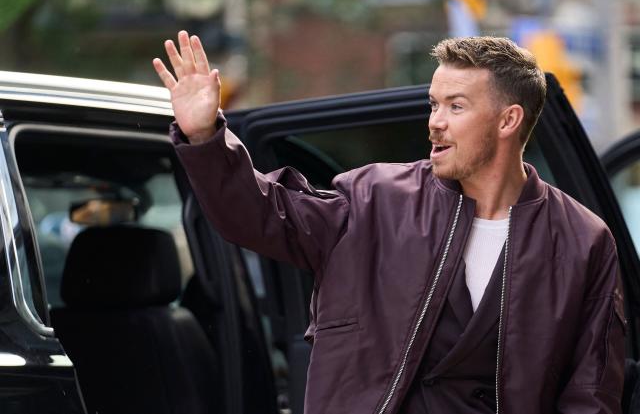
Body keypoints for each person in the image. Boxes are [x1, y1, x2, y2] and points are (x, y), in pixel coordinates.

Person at [153, 31, 625, 414]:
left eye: (455, 106)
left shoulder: (582, 240)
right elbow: (261, 215)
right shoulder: (373, 197)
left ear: (508, 120)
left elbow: (591, 391)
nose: (435, 122)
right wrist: (206, 137)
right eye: (433, 104)